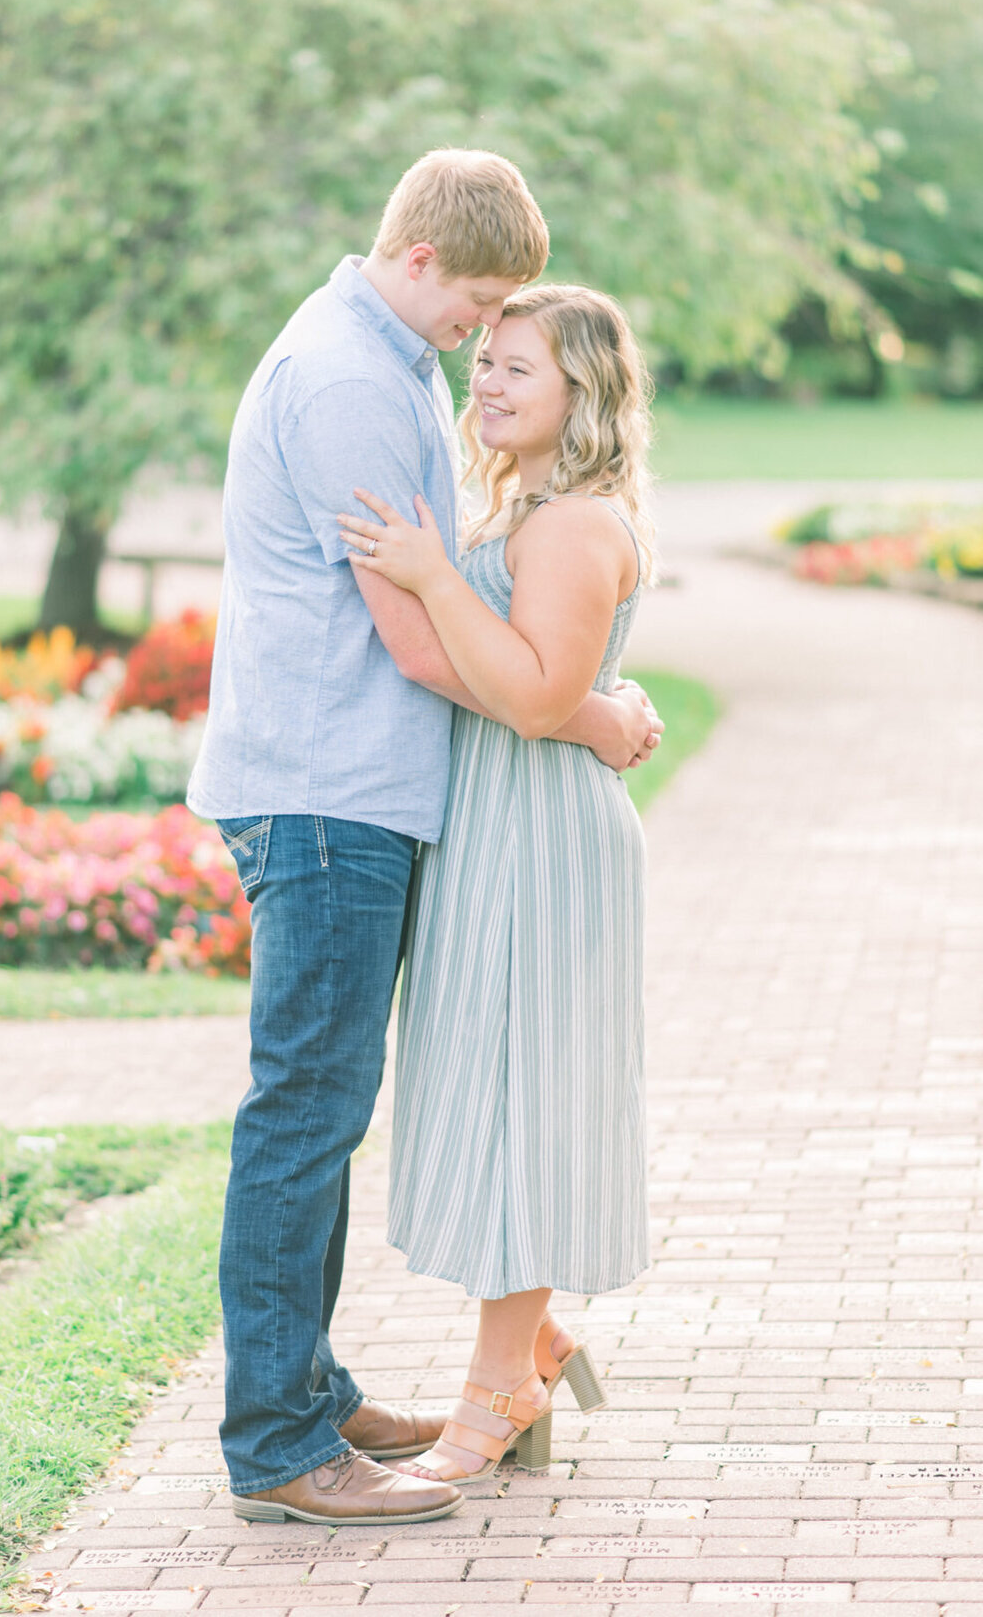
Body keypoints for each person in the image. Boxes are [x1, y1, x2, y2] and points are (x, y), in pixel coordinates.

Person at [187, 152, 661, 1526]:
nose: (480, 347)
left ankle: (319, 1390)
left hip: (375, 796)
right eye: (480, 313)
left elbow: (484, 614)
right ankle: (281, 1439)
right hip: (327, 791)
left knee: (327, 1109)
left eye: (514, 341)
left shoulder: (381, 359)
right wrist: (586, 718)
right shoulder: (349, 378)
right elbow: (413, 633)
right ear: (418, 263)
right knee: (307, 1112)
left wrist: (564, 700)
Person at [336, 281, 653, 1483]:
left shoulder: (573, 525)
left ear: (584, 391)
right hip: (489, 830)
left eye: (520, 368)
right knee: (485, 1090)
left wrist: (429, 572)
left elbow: (528, 696)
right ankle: (534, 1341)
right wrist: (604, 713)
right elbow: (549, 695)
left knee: (522, 1107)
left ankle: (494, 1392)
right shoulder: (523, 506)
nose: (490, 383)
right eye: (487, 364)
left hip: (545, 845)